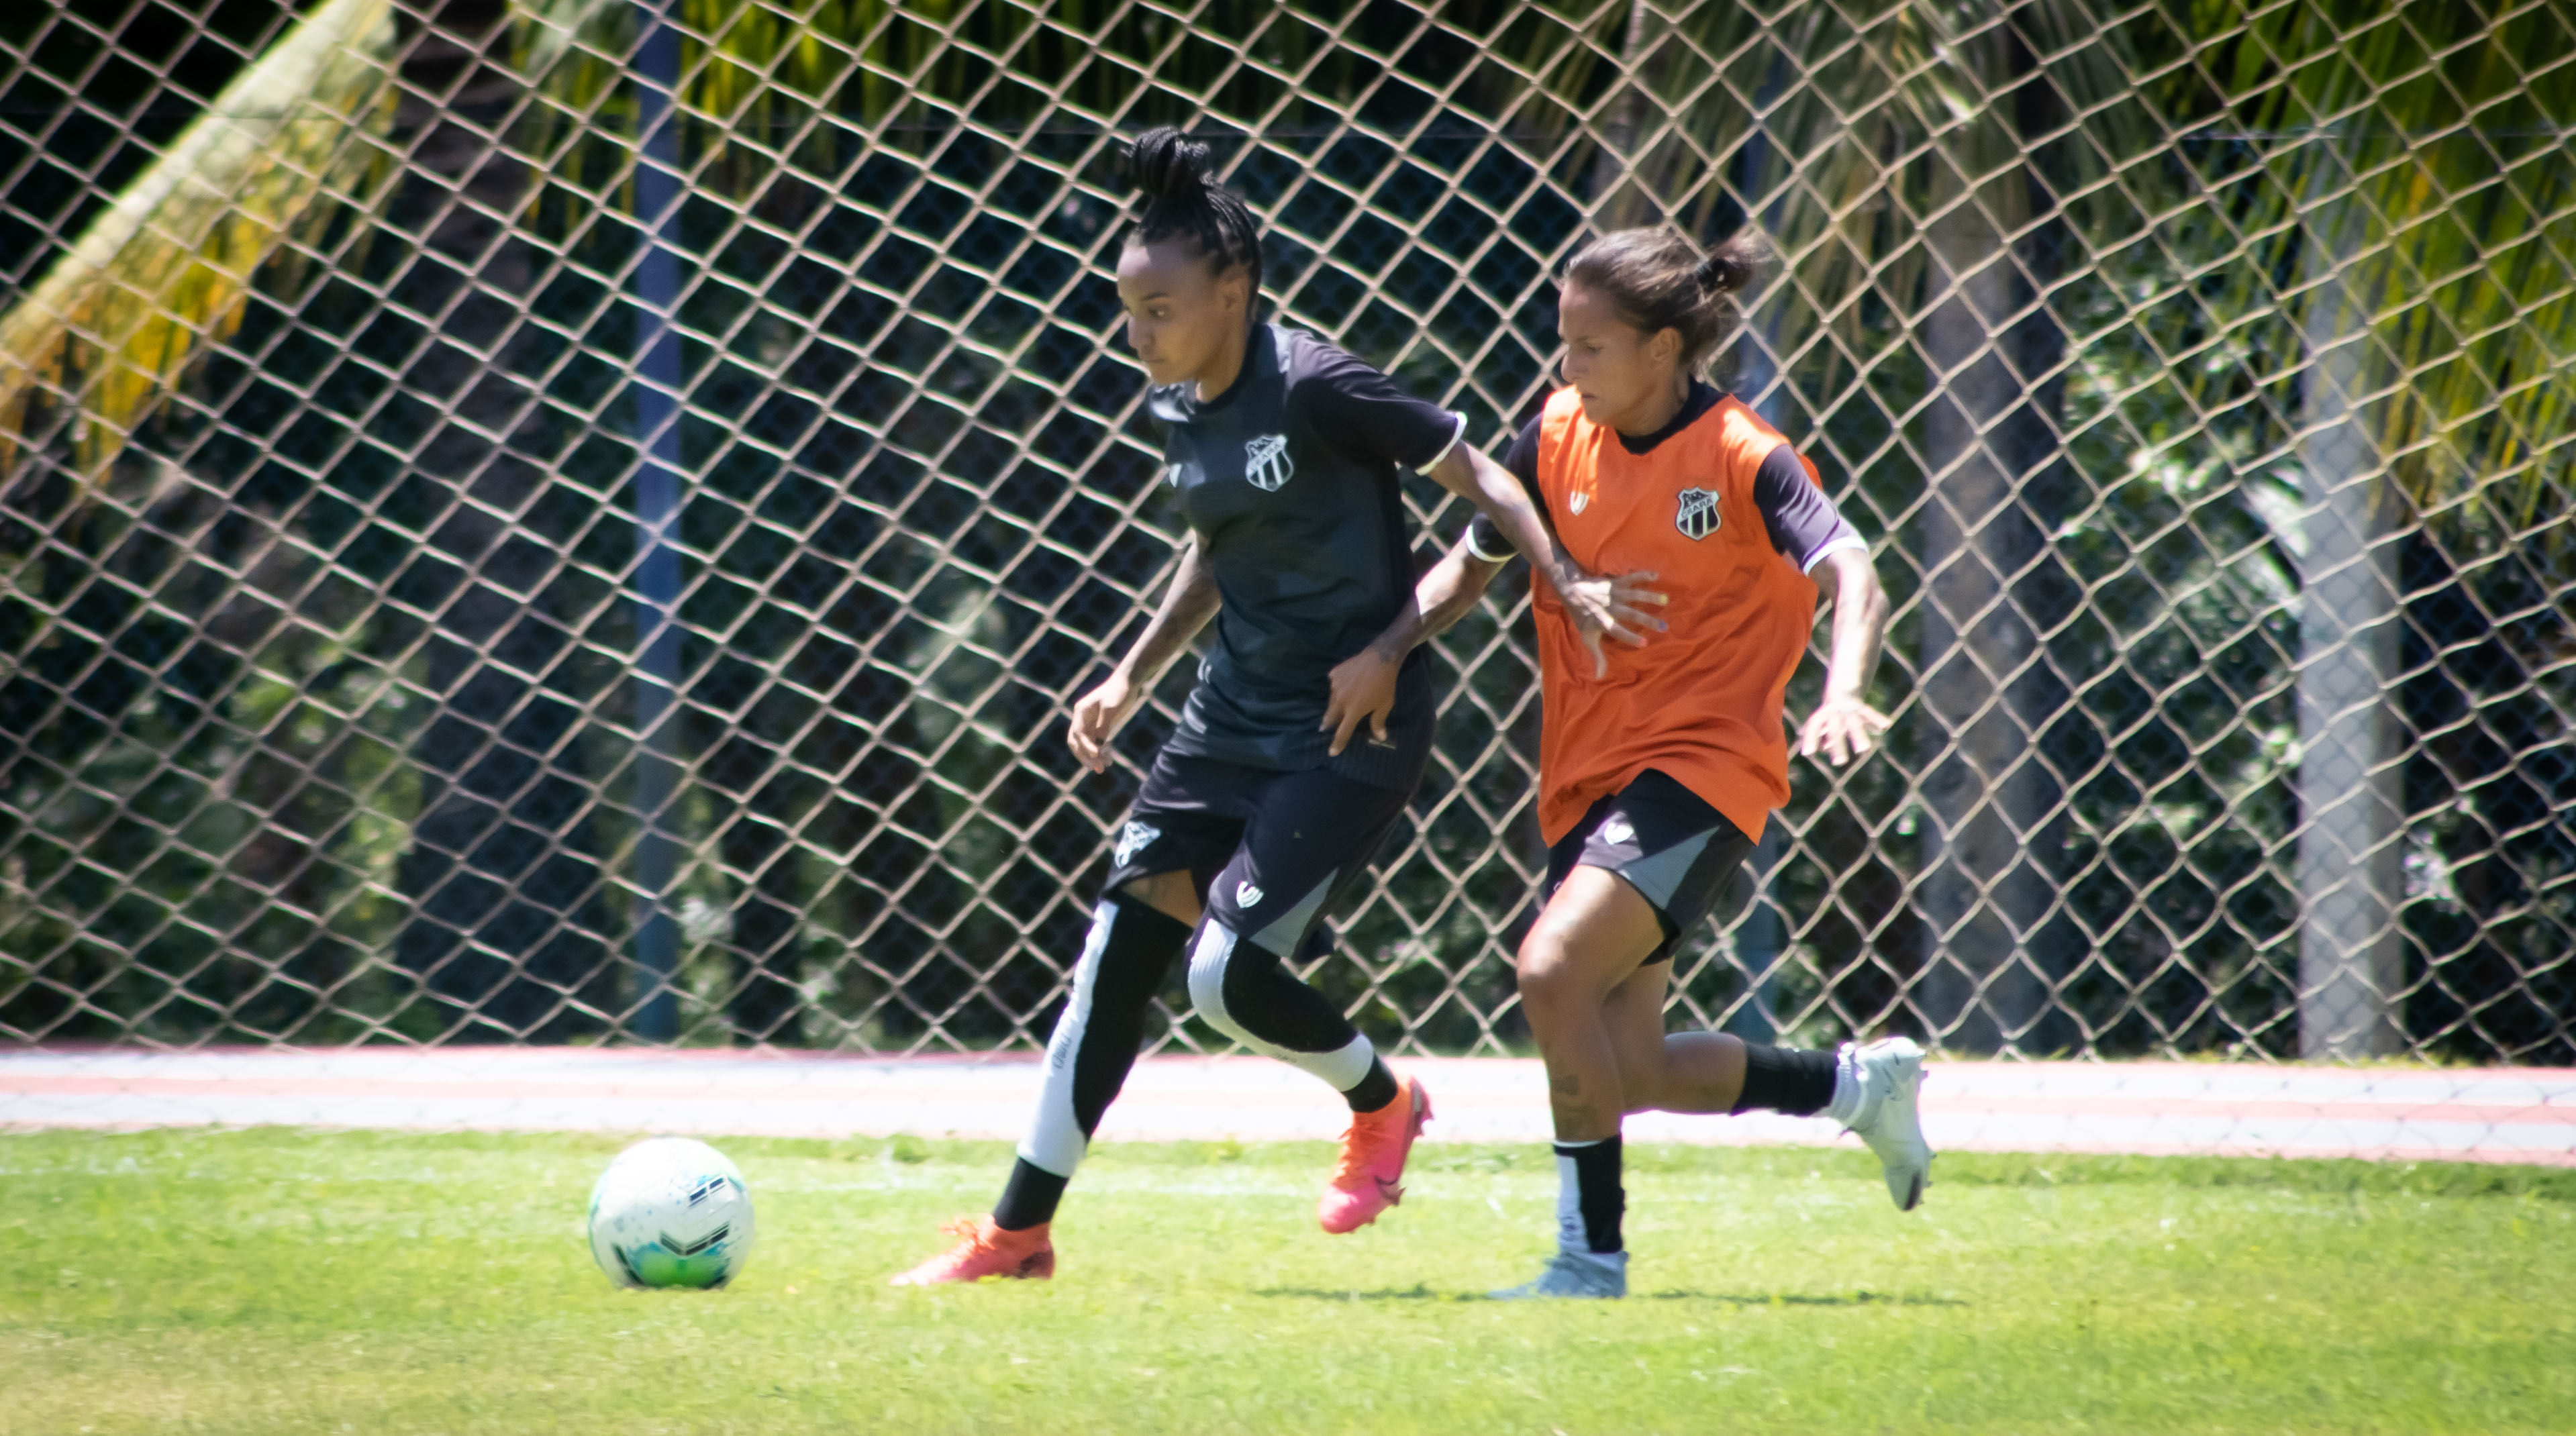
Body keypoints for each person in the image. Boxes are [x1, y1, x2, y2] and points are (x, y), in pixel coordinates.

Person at [889, 129, 1649, 1286]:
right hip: (1223, 720)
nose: (1135, 334)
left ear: (1233, 293)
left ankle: (1383, 1102)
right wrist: (1128, 677)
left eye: (1157, 311)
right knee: (1115, 953)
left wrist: (1542, 584)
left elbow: (1491, 479)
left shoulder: (1319, 385)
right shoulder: (1183, 405)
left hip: (1350, 726)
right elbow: (1219, 550)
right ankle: (1016, 1233)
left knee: (1221, 980)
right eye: (1127, 310)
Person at [1414, 226, 1931, 1300]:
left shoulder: (1742, 453)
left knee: (1550, 968)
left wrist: (1842, 690)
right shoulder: (1555, 435)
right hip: (1587, 773)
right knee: (1631, 1067)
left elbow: (1849, 564)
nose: (1567, 368)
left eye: (1590, 347)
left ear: (1661, 349)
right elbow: (1467, 569)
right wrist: (1374, 651)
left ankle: (1584, 1261)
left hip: (1704, 771)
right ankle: (1854, 1085)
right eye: (1562, 343)